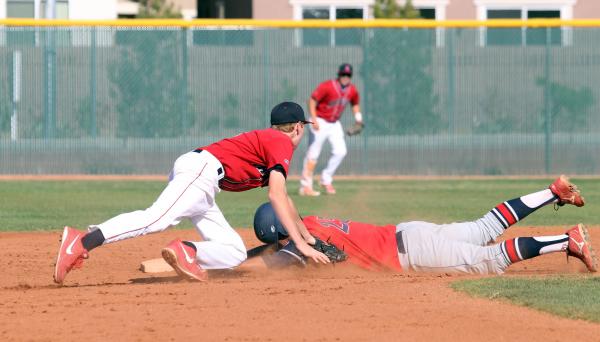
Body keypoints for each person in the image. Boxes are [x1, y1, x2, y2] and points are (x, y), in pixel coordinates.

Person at [53, 101, 331, 285]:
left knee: (233, 252)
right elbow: (276, 196)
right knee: (157, 219)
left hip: (205, 182)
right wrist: (302, 245)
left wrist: (307, 235)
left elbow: (287, 200)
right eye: (301, 128)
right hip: (203, 171)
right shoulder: (281, 144)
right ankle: (82, 241)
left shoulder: (271, 142)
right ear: (297, 127)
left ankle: (187, 251)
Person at [249, 175, 597, 274]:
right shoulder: (307, 222)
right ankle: (551, 193)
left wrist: (227, 267)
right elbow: (277, 246)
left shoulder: (300, 246)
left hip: (414, 252)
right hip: (408, 231)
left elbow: (273, 260)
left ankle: (566, 241)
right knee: (484, 227)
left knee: (487, 260)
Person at [299, 63, 363, 196]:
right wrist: (314, 118)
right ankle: (305, 187)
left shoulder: (352, 90)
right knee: (313, 154)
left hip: (334, 123)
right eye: (343, 74)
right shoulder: (328, 86)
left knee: (341, 151)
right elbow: (312, 100)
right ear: (339, 74)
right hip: (320, 120)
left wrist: (358, 118)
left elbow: (355, 103)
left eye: (348, 75)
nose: (345, 77)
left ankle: (325, 179)